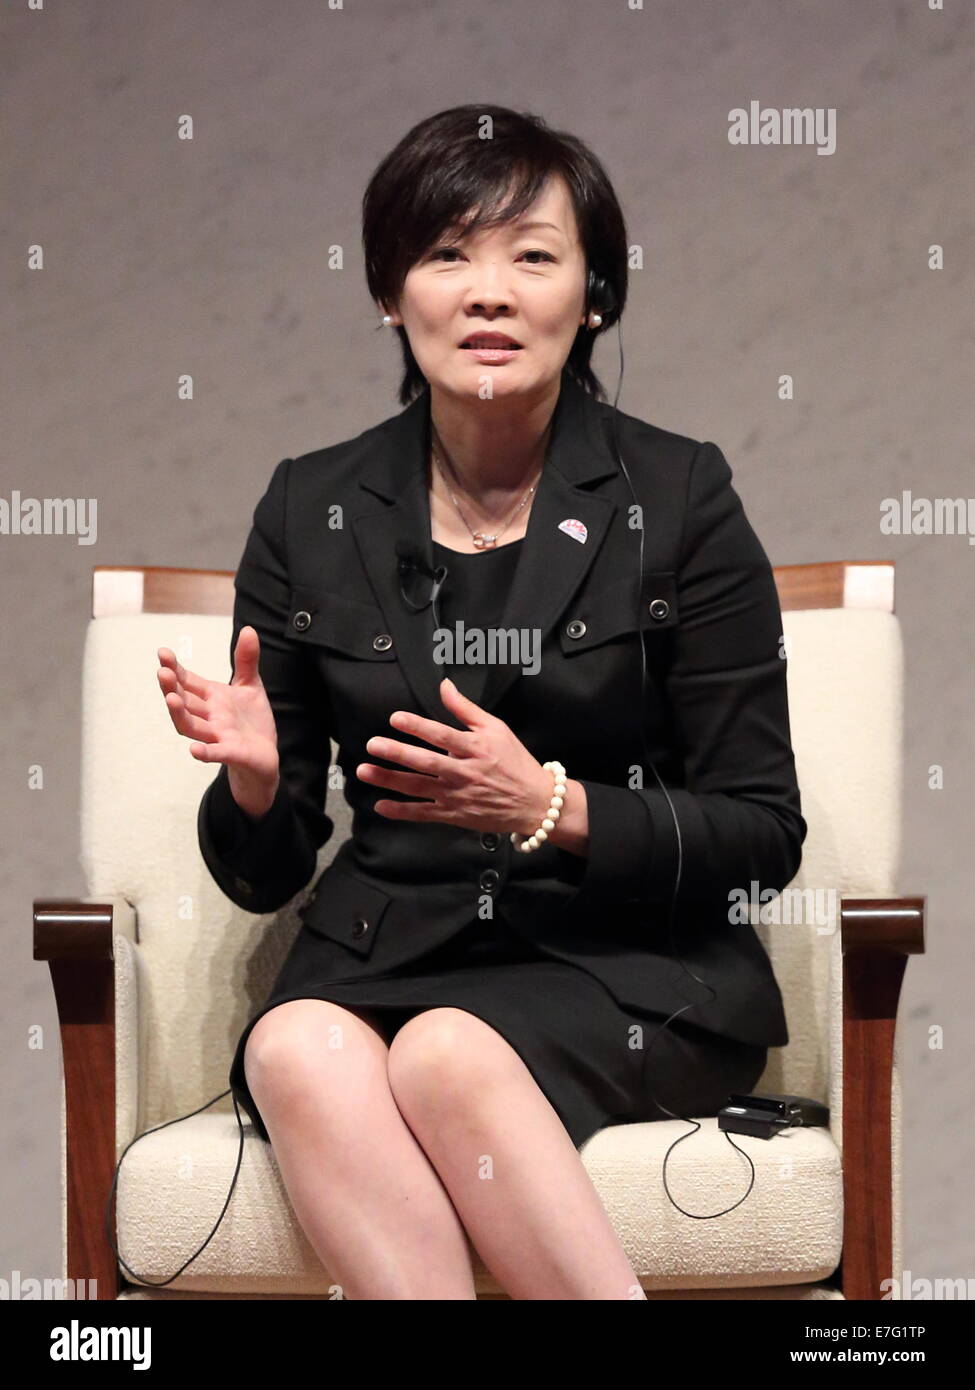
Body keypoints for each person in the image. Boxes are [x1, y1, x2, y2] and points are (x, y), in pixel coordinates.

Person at [156, 104, 806, 1300]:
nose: (488, 291)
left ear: (594, 297)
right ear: (392, 296)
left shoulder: (680, 495)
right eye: (448, 254)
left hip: (625, 967)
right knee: (294, 1042)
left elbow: (763, 832)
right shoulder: (316, 508)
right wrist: (253, 785)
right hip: (388, 948)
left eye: (533, 256)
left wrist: (550, 806)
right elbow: (267, 869)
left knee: (451, 1053)